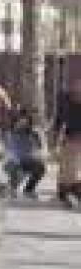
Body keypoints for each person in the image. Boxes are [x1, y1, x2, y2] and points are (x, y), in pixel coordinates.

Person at [2, 109, 49, 199]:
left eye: (25, 120)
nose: (22, 122)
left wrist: (41, 154)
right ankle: (12, 187)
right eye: (20, 120)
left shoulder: (35, 133)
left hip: (28, 160)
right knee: (17, 171)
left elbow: (42, 148)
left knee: (41, 167)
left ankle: (29, 189)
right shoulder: (10, 132)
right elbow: (8, 151)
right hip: (12, 161)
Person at [55, 71, 81, 209]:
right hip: (70, 137)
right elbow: (60, 118)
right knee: (67, 165)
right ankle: (64, 191)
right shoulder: (64, 98)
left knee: (73, 167)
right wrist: (57, 135)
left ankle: (70, 190)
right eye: (75, 86)